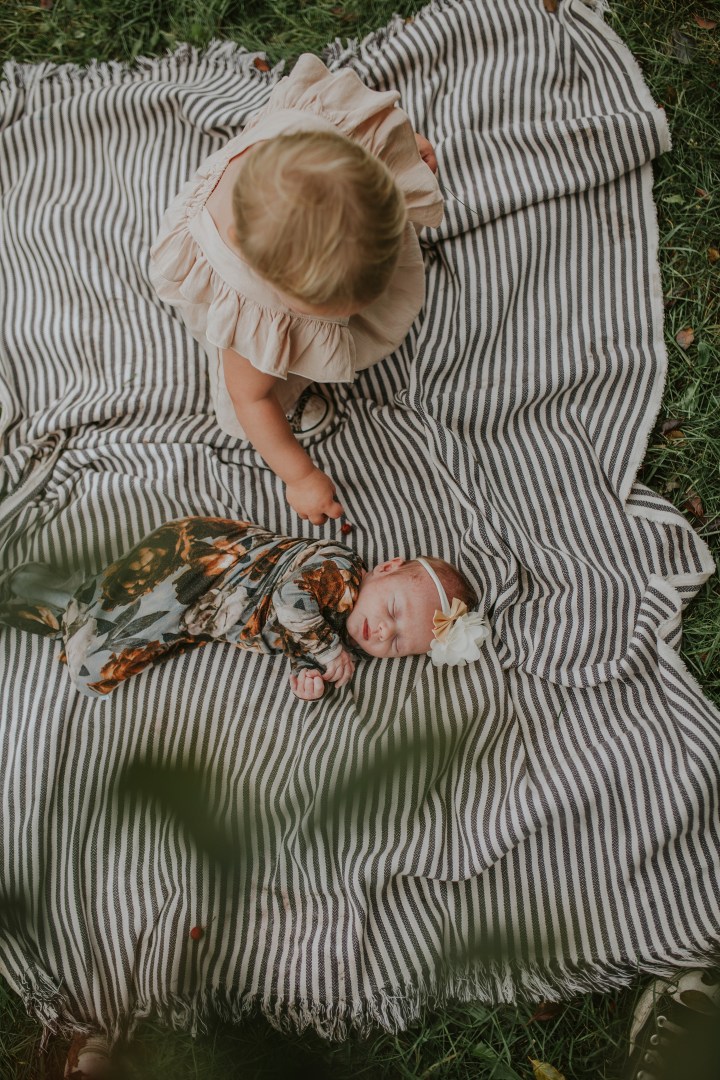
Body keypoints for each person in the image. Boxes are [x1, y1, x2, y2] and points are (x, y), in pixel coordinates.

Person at [148, 53, 444, 528]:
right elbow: (252, 400)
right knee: (268, 377)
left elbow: (366, 146)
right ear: (280, 290)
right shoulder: (251, 305)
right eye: (336, 306)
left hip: (293, 202)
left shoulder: (323, 144)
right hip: (243, 281)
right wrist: (299, 475)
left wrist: (404, 149)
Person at [0, 516, 488, 701]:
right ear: (386, 568)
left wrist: (309, 677)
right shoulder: (340, 570)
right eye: (396, 611)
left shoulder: (342, 626)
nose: (383, 632)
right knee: (96, 664)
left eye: (399, 644)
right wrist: (323, 649)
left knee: (102, 651)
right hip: (203, 570)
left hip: (206, 612)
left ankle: (53, 593)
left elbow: (302, 634)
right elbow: (290, 599)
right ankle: (55, 596)